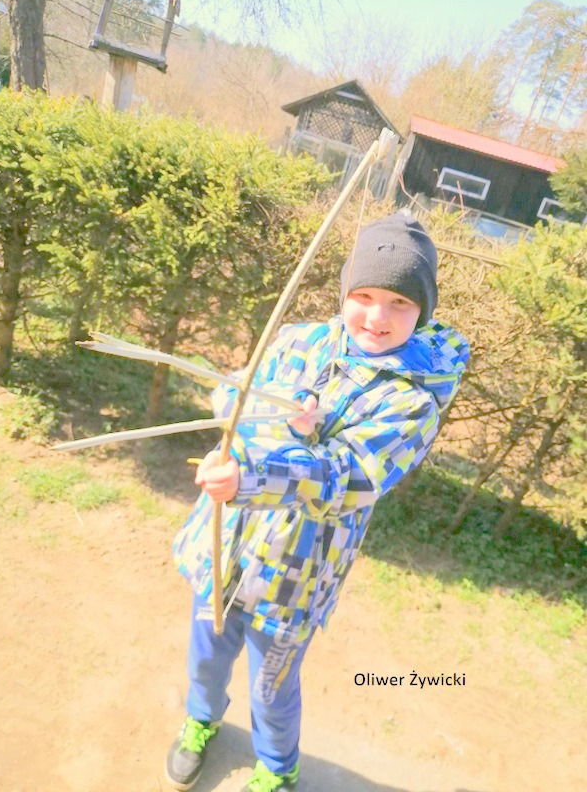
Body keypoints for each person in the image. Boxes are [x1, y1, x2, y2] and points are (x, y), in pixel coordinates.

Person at [165, 212, 470, 792]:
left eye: (400, 304)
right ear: (344, 290)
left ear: (423, 312)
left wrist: (253, 474)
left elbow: (348, 477)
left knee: (271, 686)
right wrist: (266, 417)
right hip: (225, 546)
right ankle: (201, 719)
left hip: (295, 577)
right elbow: (230, 393)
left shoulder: (413, 401)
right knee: (205, 656)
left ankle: (278, 769)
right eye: (364, 296)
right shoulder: (298, 340)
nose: (377, 317)